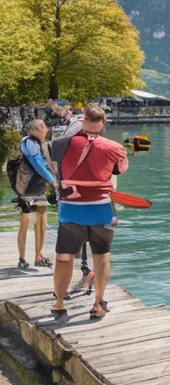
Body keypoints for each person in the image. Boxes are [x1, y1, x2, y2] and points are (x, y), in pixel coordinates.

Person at [49, 104, 128, 320]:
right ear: (103, 123)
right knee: (101, 257)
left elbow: (52, 164)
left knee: (64, 257)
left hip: (70, 210)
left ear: (83, 121)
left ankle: (58, 305)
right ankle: (97, 304)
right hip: (101, 209)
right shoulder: (115, 147)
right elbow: (120, 169)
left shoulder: (59, 144)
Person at [12, 119, 56, 269]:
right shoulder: (30, 142)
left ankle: (34, 256)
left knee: (40, 223)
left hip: (31, 187)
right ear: (38, 129)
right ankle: (25, 257)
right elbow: (37, 163)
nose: (46, 130)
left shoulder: (30, 142)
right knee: (33, 222)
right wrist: (52, 180)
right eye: (44, 127)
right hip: (31, 189)